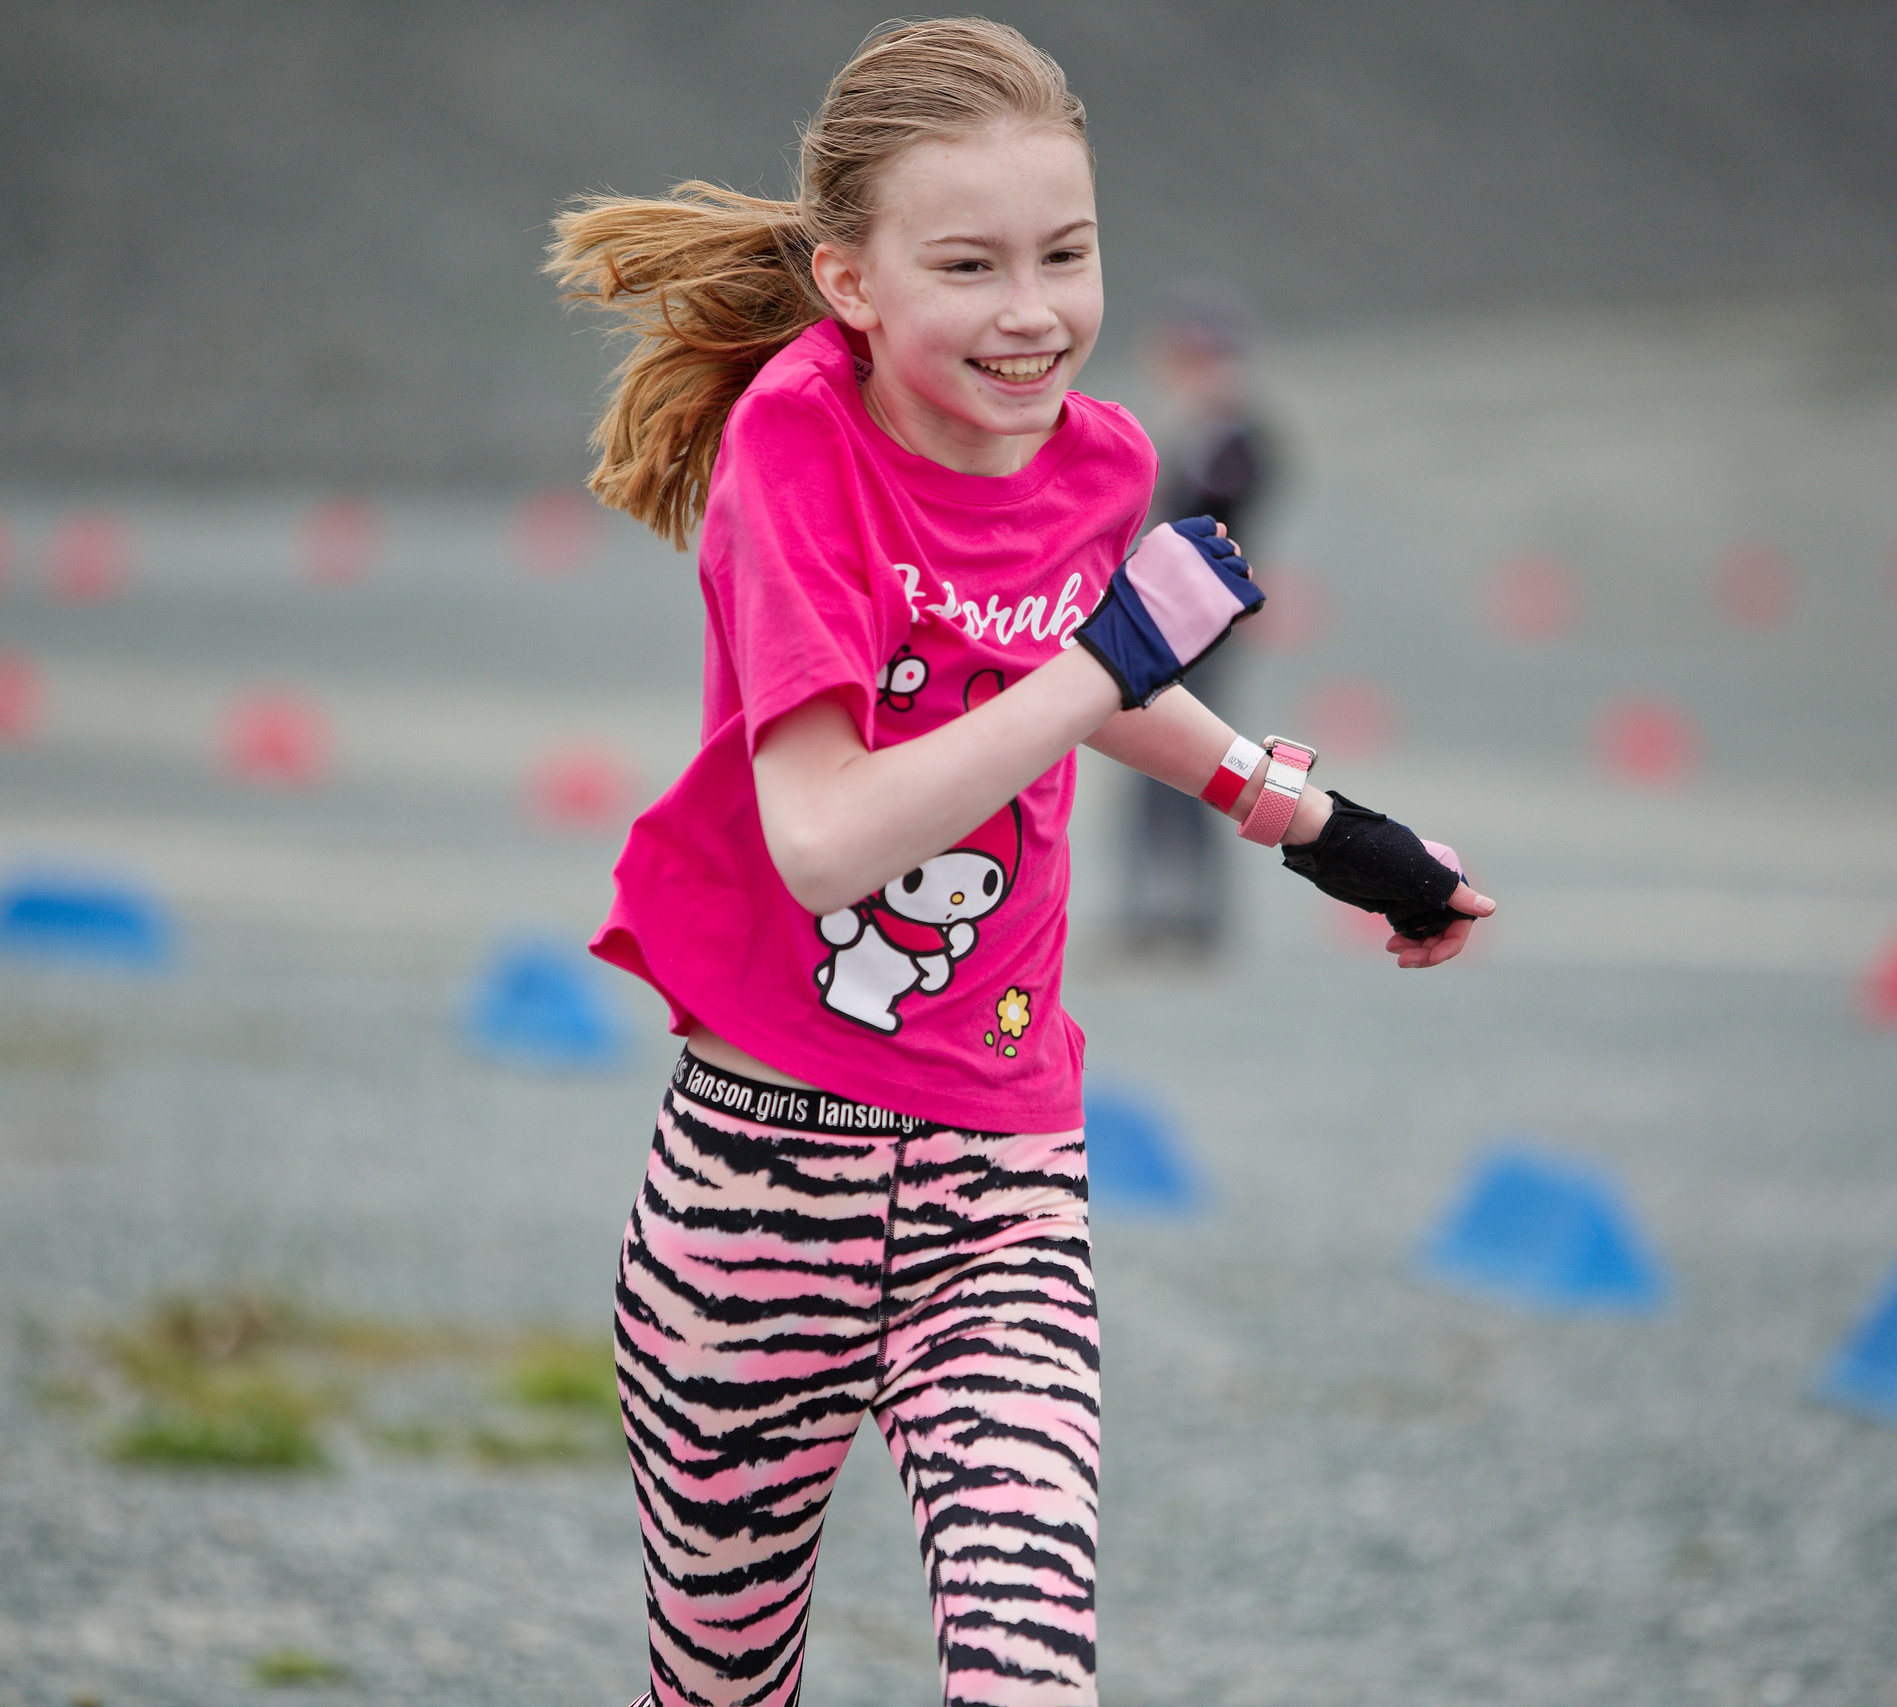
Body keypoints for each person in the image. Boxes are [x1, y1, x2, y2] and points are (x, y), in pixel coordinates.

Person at [545, 20, 1494, 1706]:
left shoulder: (1102, 459)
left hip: (1001, 1184)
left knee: (1032, 1680)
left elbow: (1059, 676)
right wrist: (1104, 659)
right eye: (968, 265)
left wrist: (1323, 828)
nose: (1033, 310)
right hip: (758, 1180)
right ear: (850, 280)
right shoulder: (797, 449)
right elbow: (824, 837)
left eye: (1066, 253)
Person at [1120, 281, 1277, 957]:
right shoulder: (1191, 436)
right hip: (1160, 618)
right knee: (1151, 770)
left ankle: (1197, 910)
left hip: (1204, 625)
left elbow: (1217, 512)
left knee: (1203, 759)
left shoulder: (1234, 441)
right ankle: (1155, 906)